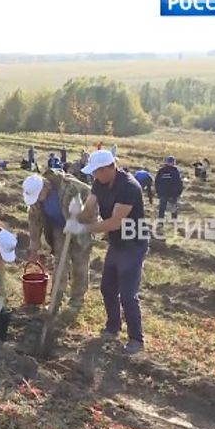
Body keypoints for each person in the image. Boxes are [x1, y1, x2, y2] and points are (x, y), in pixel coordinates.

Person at [66, 149, 149, 355]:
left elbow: (113, 223)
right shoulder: (99, 182)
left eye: (97, 172)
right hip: (117, 243)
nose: (95, 176)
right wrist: (76, 215)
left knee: (128, 295)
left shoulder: (129, 187)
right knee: (107, 288)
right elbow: (89, 208)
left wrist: (84, 229)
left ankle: (136, 339)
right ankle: (113, 327)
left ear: (109, 168)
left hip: (134, 242)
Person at [22, 170, 93, 308]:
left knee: (80, 264)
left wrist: (84, 218)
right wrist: (34, 249)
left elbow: (92, 196)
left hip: (80, 227)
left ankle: (76, 300)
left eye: (39, 196)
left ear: (45, 187)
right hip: (59, 229)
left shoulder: (70, 187)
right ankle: (56, 299)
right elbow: (34, 225)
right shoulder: (36, 201)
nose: (37, 200)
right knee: (61, 264)